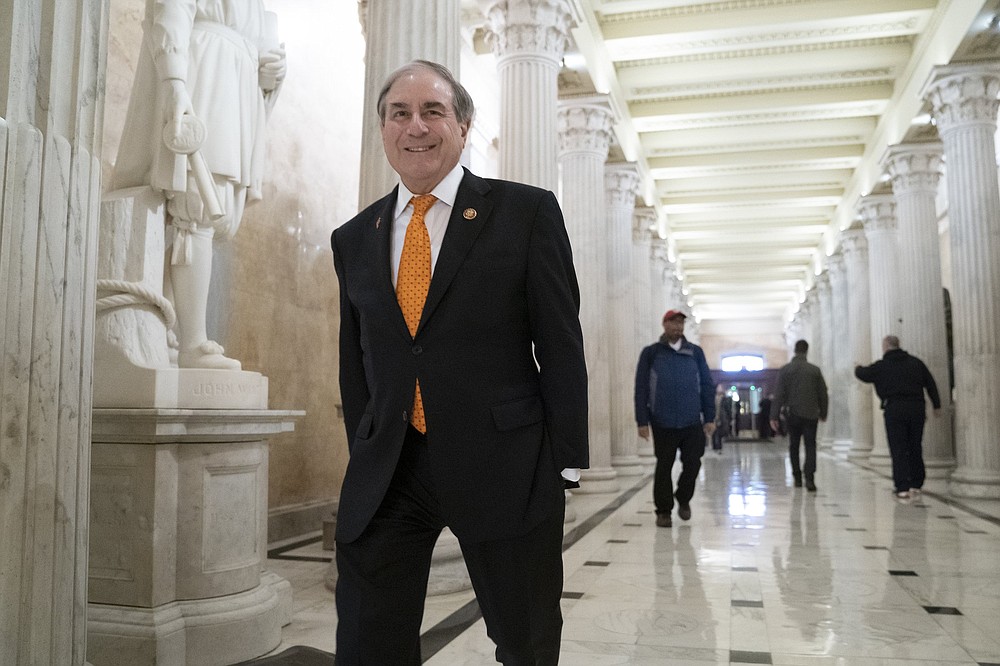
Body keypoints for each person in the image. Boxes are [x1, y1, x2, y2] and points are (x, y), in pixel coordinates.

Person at [331, 60, 589, 665]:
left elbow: (560, 344)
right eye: (400, 113)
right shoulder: (354, 237)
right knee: (369, 643)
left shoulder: (524, 213)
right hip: (392, 472)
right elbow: (356, 358)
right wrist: (366, 447)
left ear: (463, 125)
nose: (415, 126)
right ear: (384, 128)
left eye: (432, 111)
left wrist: (566, 461)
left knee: (525, 642)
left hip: (505, 465)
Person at [113, 0, 287, 370]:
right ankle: (192, 342)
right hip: (206, 70)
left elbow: (260, 51)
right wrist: (175, 82)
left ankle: (170, 335)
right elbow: (170, 9)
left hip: (235, 87)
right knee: (196, 206)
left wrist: (271, 76)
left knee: (203, 213)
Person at [634, 310, 716, 527]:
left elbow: (707, 385)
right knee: (664, 466)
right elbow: (641, 388)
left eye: (681, 323)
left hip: (691, 420)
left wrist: (710, 417)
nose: (678, 327)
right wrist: (642, 421)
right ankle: (663, 511)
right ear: (664, 324)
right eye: (673, 322)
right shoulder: (652, 353)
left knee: (693, 463)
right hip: (662, 421)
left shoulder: (695, 352)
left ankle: (683, 497)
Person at [855, 335, 941, 499]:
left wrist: (857, 368)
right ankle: (916, 483)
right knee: (915, 445)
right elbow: (930, 383)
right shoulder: (916, 363)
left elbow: (864, 374)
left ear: (886, 346)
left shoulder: (882, 366)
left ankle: (903, 486)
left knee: (899, 448)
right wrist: (936, 405)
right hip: (916, 409)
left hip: (895, 409)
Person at [770, 340, 828, 491]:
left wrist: (773, 416)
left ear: (795, 351)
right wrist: (823, 412)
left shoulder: (785, 370)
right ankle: (809, 478)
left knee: (793, 445)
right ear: (807, 351)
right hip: (810, 414)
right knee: (810, 445)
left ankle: (797, 478)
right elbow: (823, 393)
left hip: (792, 414)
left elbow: (779, 394)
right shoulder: (814, 370)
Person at [712, 384, 730, 454]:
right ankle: (715, 446)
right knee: (714, 432)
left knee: (719, 433)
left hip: (722, 418)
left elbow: (727, 409)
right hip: (714, 417)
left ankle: (719, 446)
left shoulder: (725, 399)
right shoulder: (713, 398)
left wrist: (728, 418)